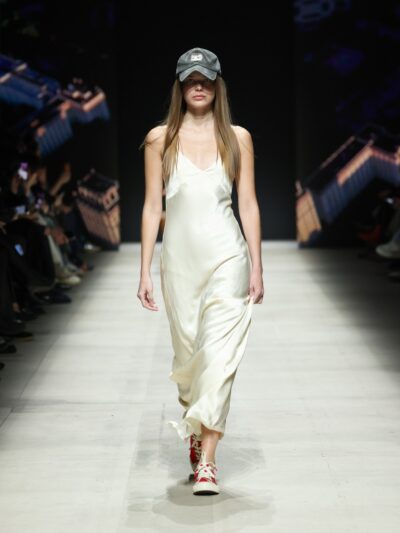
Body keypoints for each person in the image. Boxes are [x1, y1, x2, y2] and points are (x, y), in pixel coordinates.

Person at [137, 47, 264, 495]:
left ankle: (208, 460)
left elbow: (248, 203)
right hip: (179, 264)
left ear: (216, 85)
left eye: (205, 79)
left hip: (228, 257)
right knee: (190, 360)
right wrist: (144, 270)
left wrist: (257, 265)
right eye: (191, 79)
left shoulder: (237, 137)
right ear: (180, 85)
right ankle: (196, 424)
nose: (198, 85)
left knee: (219, 356)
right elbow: (152, 207)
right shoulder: (160, 139)